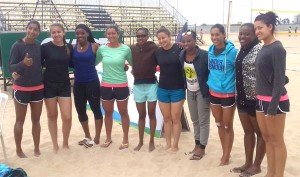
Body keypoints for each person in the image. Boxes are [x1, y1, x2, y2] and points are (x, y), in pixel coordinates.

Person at [254, 11, 290, 177]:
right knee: (267, 138)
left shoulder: (277, 48)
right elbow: (273, 74)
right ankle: (270, 173)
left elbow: (279, 80)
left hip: (275, 101)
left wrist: (273, 107)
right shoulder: (264, 47)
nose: (257, 31)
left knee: (277, 140)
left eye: (260, 27)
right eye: (256, 28)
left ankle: (279, 174)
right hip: (261, 99)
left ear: (270, 27)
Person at [231, 23, 265, 176]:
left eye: (247, 34)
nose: (242, 37)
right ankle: (248, 163)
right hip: (242, 96)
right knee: (247, 131)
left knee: (260, 133)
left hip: (255, 98)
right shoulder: (242, 49)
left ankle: (257, 166)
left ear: (255, 34)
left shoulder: (260, 50)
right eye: (240, 33)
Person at [9, 20, 43, 158]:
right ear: (26, 29)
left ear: (38, 32)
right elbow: (11, 67)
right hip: (21, 88)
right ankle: (18, 150)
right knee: (20, 121)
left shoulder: (39, 45)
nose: (32, 31)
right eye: (30, 28)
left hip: (38, 87)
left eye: (35, 29)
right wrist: (22, 64)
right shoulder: (17, 46)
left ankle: (36, 148)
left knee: (36, 120)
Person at [96, 26, 133, 150]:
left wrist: (127, 67)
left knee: (123, 113)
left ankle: (125, 139)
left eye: (113, 33)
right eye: (108, 34)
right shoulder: (102, 49)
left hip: (121, 85)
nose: (111, 36)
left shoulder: (126, 49)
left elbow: (134, 63)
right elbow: (93, 63)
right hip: (106, 85)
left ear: (118, 34)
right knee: (108, 113)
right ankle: (108, 138)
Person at [207, 24, 237, 166]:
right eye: (212, 35)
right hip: (213, 92)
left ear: (224, 35)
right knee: (219, 124)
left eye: (217, 34)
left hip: (228, 94)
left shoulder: (232, 52)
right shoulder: (210, 50)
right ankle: (224, 151)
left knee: (227, 126)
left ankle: (226, 155)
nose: (214, 37)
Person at [41, 23, 73, 153]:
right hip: (49, 85)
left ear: (63, 32)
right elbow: (38, 64)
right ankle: (55, 144)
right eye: (53, 32)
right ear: (50, 34)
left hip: (64, 84)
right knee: (52, 116)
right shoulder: (44, 47)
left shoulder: (69, 47)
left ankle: (65, 142)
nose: (56, 34)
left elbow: (74, 63)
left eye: (58, 32)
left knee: (67, 117)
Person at [179, 30, 210, 160]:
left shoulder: (204, 55)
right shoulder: (182, 55)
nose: (186, 43)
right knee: (194, 120)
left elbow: (211, 73)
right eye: (184, 40)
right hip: (190, 91)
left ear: (195, 40)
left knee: (203, 121)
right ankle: (197, 144)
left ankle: (202, 147)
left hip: (202, 92)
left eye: (189, 40)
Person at [155, 27, 185, 152]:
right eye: (159, 39)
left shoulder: (179, 48)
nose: (162, 40)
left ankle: (175, 145)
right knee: (166, 119)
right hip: (162, 88)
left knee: (175, 118)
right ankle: (168, 143)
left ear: (169, 37)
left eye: (164, 38)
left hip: (177, 89)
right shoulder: (157, 52)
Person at [72, 24, 103, 148]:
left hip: (92, 83)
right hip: (78, 83)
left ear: (87, 34)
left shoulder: (95, 47)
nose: (80, 35)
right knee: (80, 111)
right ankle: (87, 136)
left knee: (96, 109)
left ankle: (97, 137)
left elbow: (108, 57)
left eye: (82, 33)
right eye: (77, 33)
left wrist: (124, 66)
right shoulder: (72, 47)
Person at [130, 28, 158, 152]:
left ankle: (151, 141)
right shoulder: (132, 48)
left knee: (152, 114)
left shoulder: (154, 47)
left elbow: (166, 48)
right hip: (138, 85)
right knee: (141, 115)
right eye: (138, 36)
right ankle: (141, 141)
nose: (140, 38)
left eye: (143, 36)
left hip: (151, 84)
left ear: (147, 36)